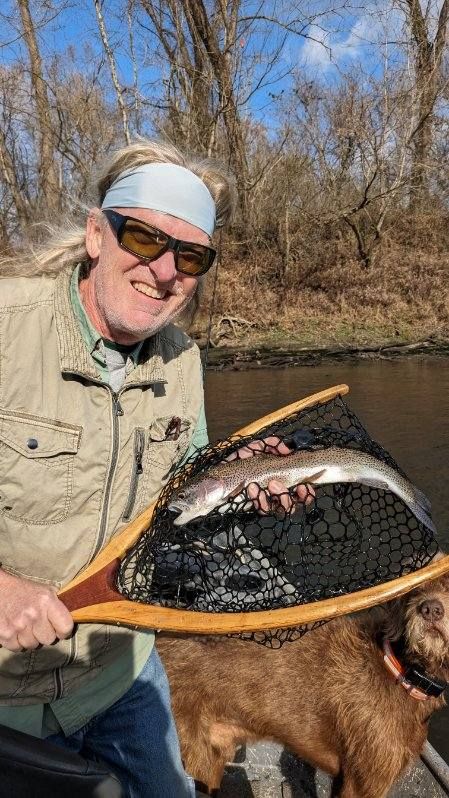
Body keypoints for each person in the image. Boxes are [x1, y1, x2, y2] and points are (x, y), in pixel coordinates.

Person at [0, 138, 310, 797]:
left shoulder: (182, 361)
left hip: (122, 672)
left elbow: (179, 506)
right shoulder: (6, 326)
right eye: (143, 238)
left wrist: (236, 484)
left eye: (190, 255)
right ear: (95, 234)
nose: (165, 270)